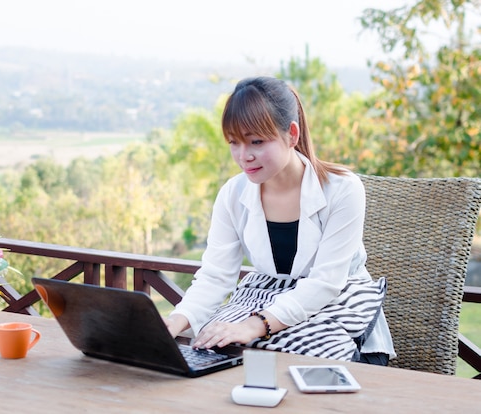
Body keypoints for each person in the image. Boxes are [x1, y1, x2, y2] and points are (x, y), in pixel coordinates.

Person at [164, 76, 395, 365]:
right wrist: (175, 321)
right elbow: (215, 277)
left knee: (273, 369)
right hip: (267, 306)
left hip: (342, 320)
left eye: (256, 142)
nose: (244, 156)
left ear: (292, 134)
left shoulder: (343, 189)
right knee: (214, 353)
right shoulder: (232, 195)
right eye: (234, 143)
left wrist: (252, 326)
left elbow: (325, 283)